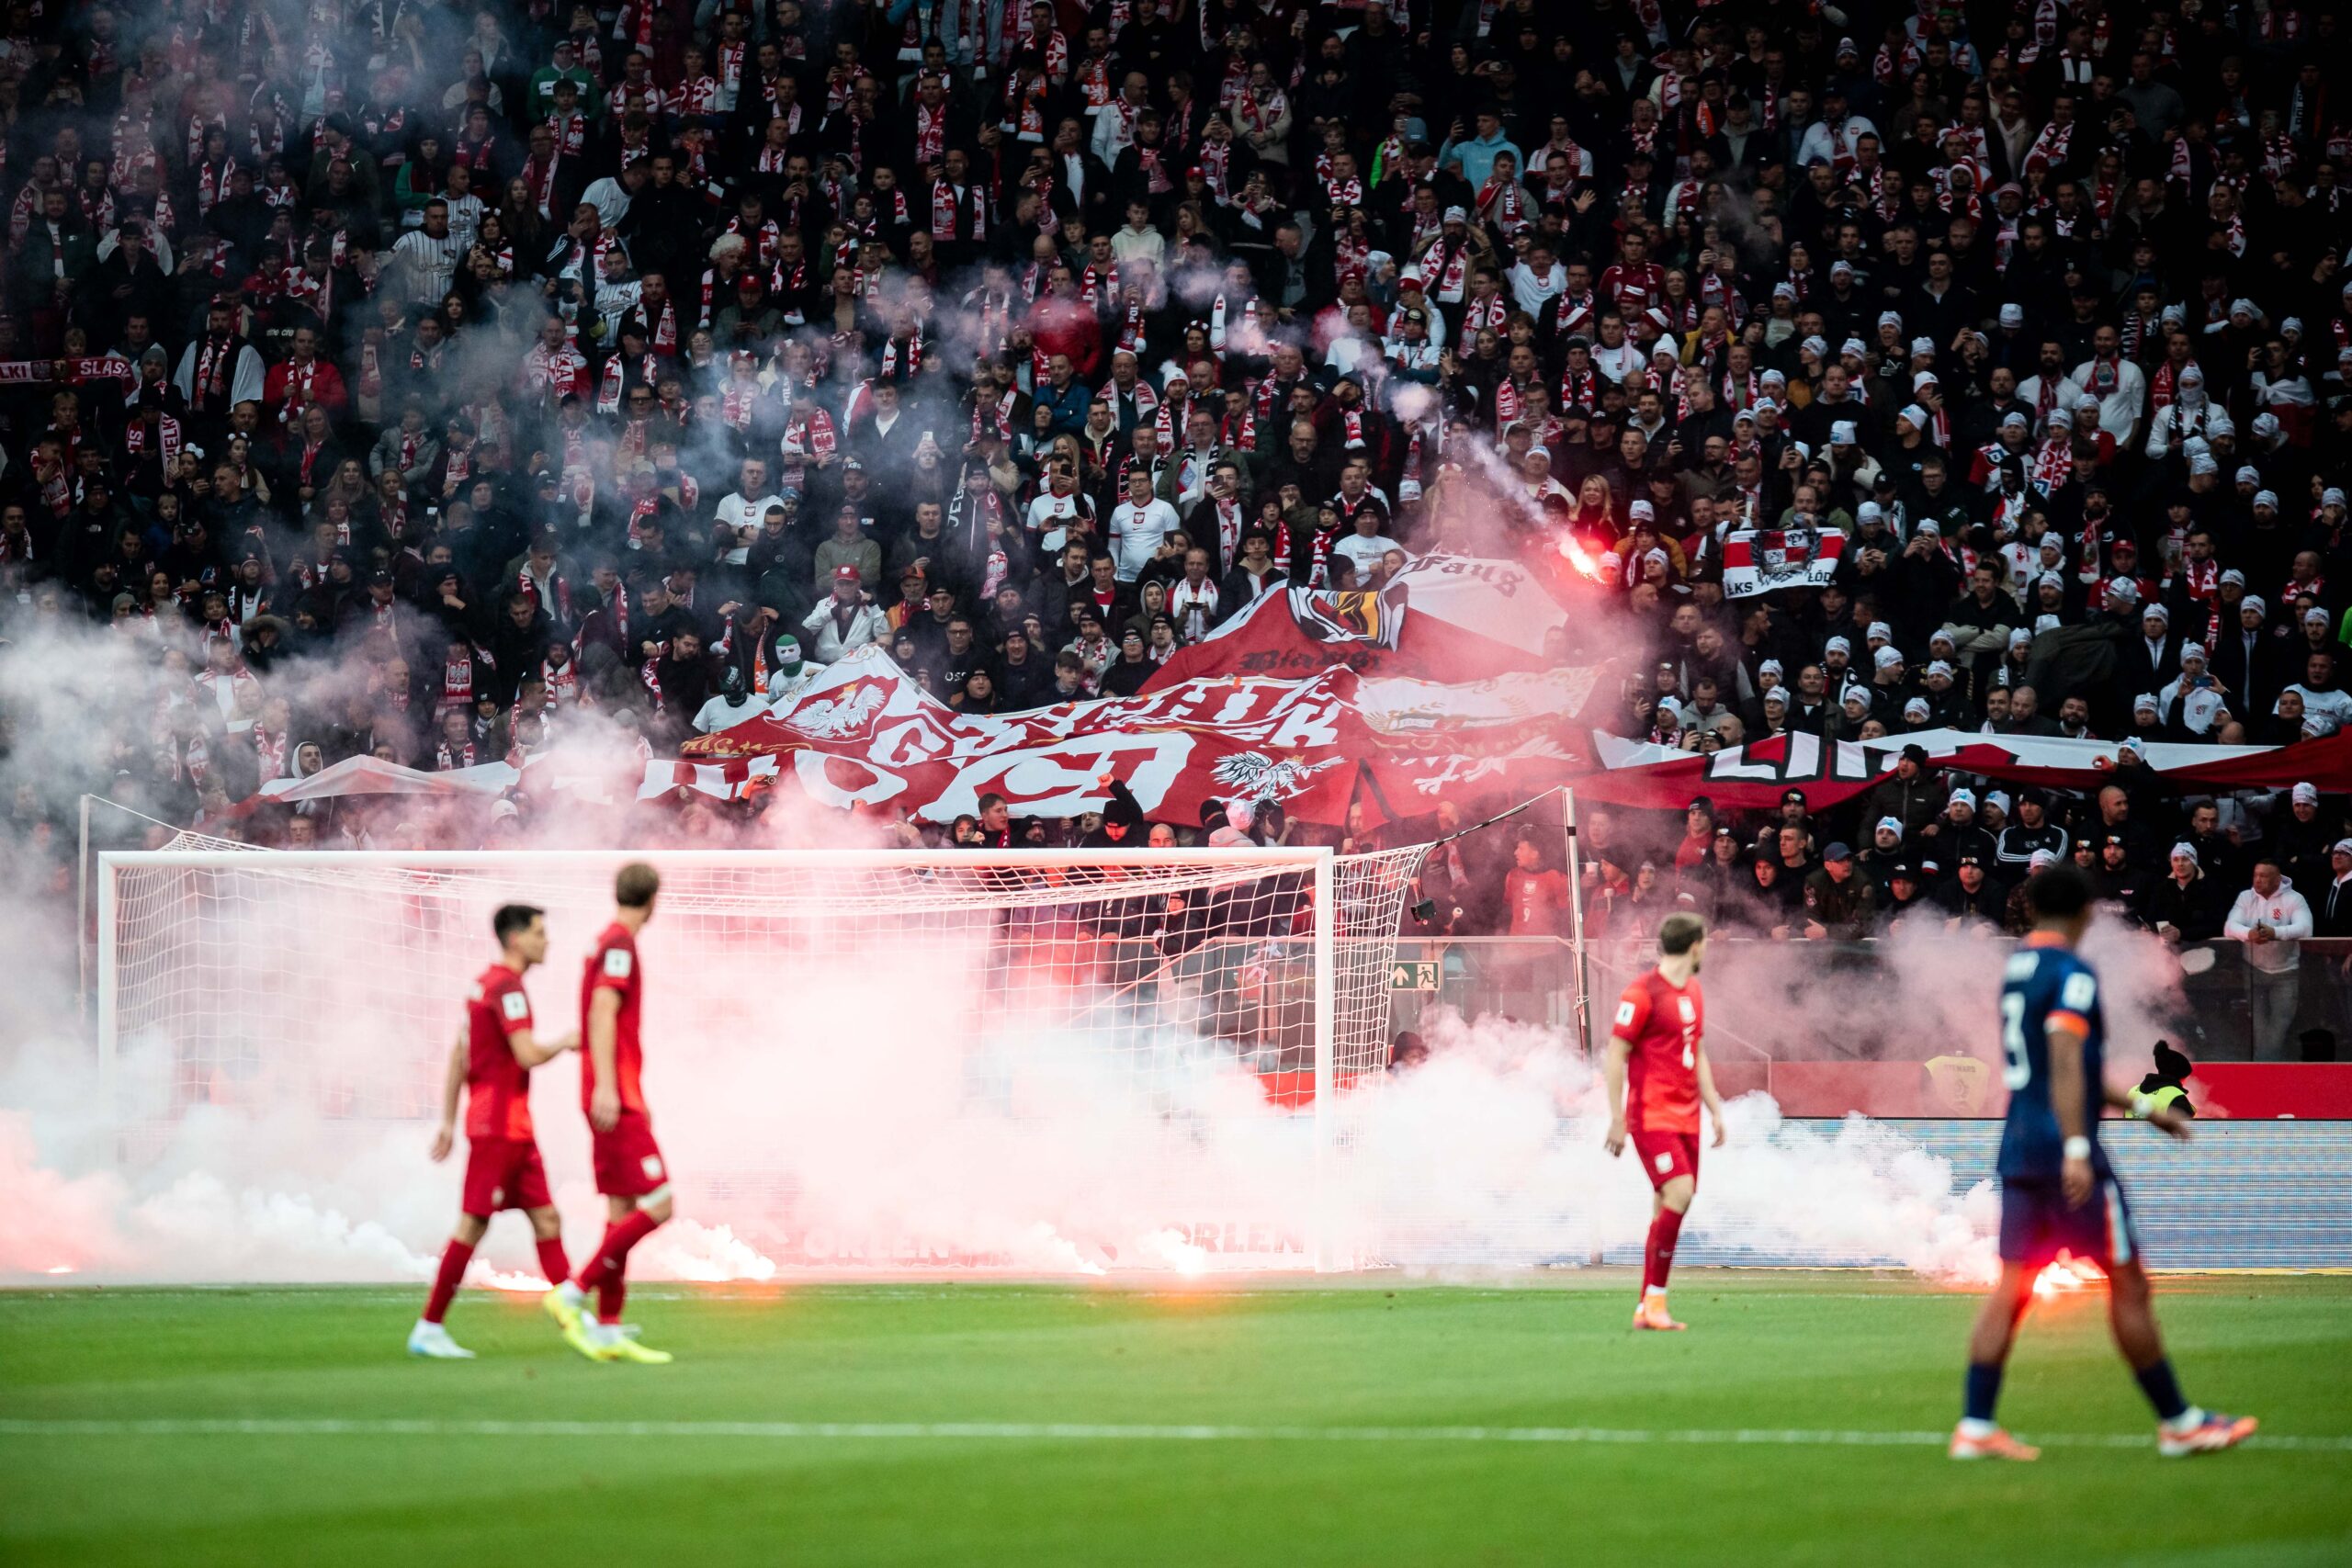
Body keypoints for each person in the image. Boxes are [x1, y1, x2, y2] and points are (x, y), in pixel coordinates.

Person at [1951, 864, 2254, 1461]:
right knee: (2128, 1280)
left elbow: (2064, 1066)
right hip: (2065, 1146)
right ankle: (2179, 1421)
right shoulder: (2073, 972)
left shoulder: (2017, 970)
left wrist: (2145, 1105)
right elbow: (2067, 1058)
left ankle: (1976, 1425)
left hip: (2017, 1145)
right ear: (2086, 912)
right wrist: (2077, 1148)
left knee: (2013, 1284)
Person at [410, 904, 579, 1359]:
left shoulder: (482, 985)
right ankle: (429, 1326)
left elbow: (458, 1056)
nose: (548, 941)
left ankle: (576, 1318)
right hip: (499, 1128)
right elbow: (525, 1054)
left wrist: (448, 1119)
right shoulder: (507, 988)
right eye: (541, 933)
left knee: (547, 1219)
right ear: (516, 938)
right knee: (473, 1223)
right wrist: (566, 1041)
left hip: (510, 1127)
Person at [543, 863, 674, 1364]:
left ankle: (609, 1327)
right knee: (660, 1203)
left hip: (615, 1090)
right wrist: (607, 1085)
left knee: (621, 1211)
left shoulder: (606, 940)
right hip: (613, 1093)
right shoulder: (619, 944)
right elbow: (601, 1010)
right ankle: (573, 1292)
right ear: (654, 899)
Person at [1603, 911, 1729, 1333]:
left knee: (1664, 1206)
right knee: (1680, 1191)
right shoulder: (1641, 993)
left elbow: (1699, 1050)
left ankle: (1646, 1307)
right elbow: (1615, 1055)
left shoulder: (1694, 991)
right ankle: (1656, 1300)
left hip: (1688, 1115)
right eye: (1705, 942)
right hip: (1651, 1114)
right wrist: (1617, 1118)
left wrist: (1713, 1106)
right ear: (1695, 945)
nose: (1706, 949)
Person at [2222, 859, 2314, 1061]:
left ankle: (2265, 1064)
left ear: (2277, 879)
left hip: (2286, 972)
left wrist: (2276, 933)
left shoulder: (2294, 899)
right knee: (2258, 1026)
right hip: (2254, 971)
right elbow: (2229, 926)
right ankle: (2266, 1065)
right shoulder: (2246, 897)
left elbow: (2306, 928)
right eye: (2256, 875)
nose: (2258, 880)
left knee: (2280, 1025)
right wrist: (2248, 933)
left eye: (2264, 876)